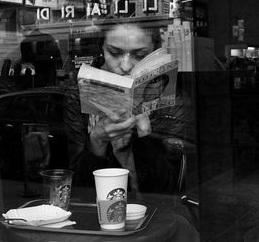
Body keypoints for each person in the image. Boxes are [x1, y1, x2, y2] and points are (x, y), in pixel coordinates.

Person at [64, 23, 194, 194]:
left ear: (155, 54)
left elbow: (167, 191)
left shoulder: (174, 102)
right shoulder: (78, 97)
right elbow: (78, 189)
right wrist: (97, 142)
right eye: (114, 53)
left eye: (140, 55)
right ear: (102, 49)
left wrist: (146, 137)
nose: (125, 66)